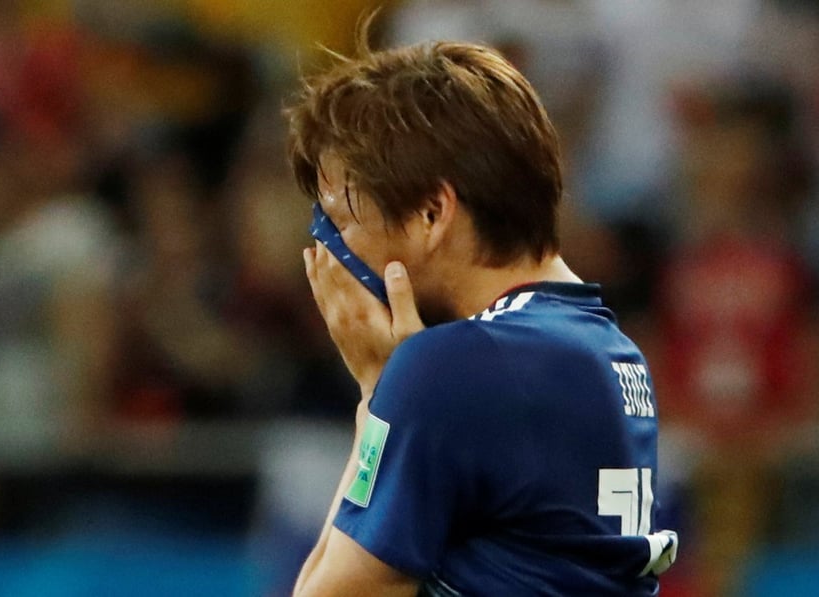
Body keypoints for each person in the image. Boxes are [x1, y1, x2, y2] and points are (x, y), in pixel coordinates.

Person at [284, 33, 678, 596]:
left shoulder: (454, 365)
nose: (327, 249)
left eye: (342, 220)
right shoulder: (612, 349)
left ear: (431, 212)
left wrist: (377, 389)